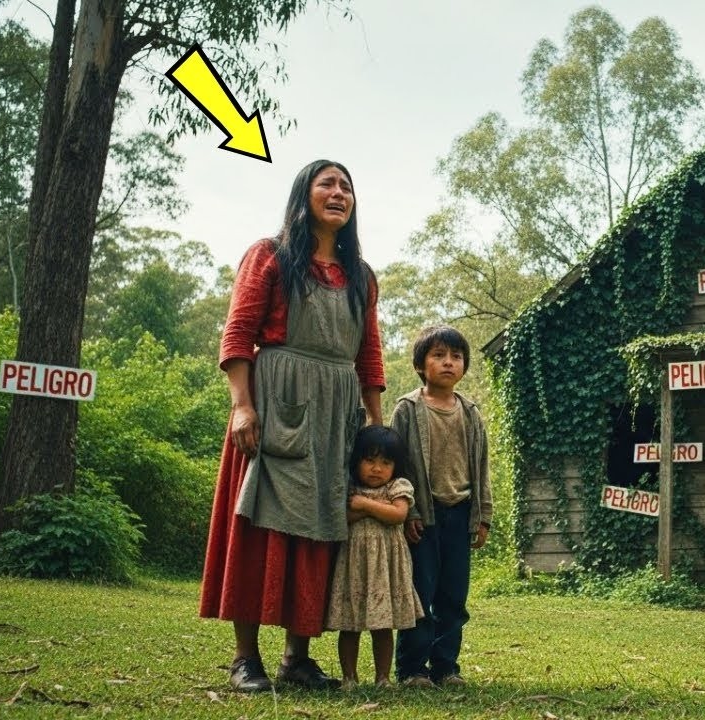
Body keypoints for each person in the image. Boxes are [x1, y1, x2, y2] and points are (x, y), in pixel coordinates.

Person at [199, 159, 385, 692]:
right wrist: (243, 405)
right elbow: (238, 332)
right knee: (262, 526)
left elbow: (368, 357)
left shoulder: (361, 276)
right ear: (303, 195)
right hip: (278, 403)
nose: (338, 192)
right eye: (326, 183)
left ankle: (296, 658)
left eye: (347, 185)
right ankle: (244, 659)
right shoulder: (271, 257)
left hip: (336, 416)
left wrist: (375, 428)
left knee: (319, 530)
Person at [392, 325, 492, 688]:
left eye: (455, 357)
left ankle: (446, 667)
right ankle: (412, 670)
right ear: (421, 365)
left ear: (464, 365)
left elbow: (482, 467)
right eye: (438, 356)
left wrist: (483, 517)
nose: (448, 363)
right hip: (424, 516)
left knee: (453, 596)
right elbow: (396, 465)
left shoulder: (470, 411)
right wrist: (409, 512)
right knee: (420, 592)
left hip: (461, 513)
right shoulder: (407, 409)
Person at [326, 425, 423, 690]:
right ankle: (349, 678)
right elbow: (344, 517)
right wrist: (378, 509)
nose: (376, 468)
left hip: (386, 566)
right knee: (350, 624)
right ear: (357, 461)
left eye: (385, 462)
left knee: (383, 625)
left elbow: (399, 515)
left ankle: (383, 678)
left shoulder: (398, 486)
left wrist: (365, 506)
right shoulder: (349, 488)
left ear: (395, 466)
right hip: (354, 565)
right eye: (369, 460)